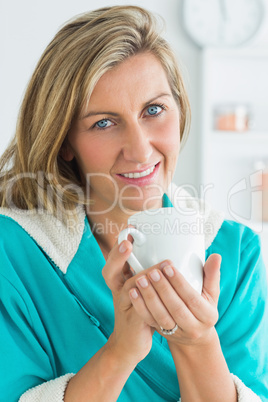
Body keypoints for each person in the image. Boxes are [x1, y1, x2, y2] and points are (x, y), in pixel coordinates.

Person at [0, 5, 267, 402]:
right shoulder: (15, 251)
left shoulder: (235, 253)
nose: (141, 151)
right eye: (103, 123)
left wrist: (196, 343)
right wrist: (121, 351)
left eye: (154, 110)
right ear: (66, 141)